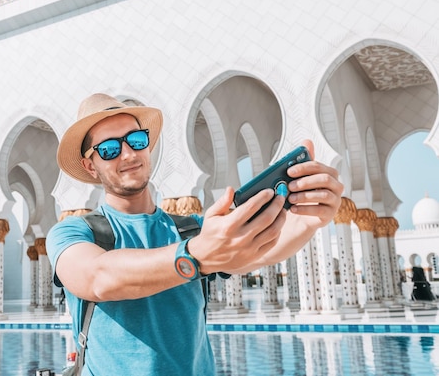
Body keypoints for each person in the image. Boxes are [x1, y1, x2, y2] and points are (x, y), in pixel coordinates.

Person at [47, 93, 344, 375]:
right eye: (109, 149)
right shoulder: (74, 233)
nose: (127, 154)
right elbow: (98, 278)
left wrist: (310, 221)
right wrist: (193, 255)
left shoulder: (191, 230)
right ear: (90, 165)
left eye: (136, 140)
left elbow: (258, 251)